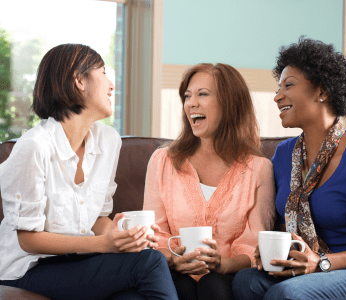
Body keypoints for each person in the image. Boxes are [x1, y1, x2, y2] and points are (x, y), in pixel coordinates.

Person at [0, 44, 178, 300]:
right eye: (103, 72)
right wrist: (103, 244)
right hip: (27, 269)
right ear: (79, 80)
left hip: (77, 262)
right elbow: (28, 239)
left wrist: (119, 237)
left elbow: (97, 218)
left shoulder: (108, 141)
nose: (111, 84)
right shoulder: (34, 147)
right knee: (149, 262)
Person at [232, 37, 346, 300]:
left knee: (286, 294)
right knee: (246, 282)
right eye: (278, 88)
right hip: (311, 268)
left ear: (322, 92)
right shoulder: (284, 155)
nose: (277, 97)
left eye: (288, 85)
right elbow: (282, 222)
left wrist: (322, 262)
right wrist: (269, 251)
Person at [143, 63, 276, 300]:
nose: (191, 103)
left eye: (202, 94)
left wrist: (224, 264)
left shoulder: (259, 169)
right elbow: (154, 233)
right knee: (180, 285)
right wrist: (174, 259)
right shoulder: (163, 161)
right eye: (187, 96)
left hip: (228, 276)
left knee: (212, 284)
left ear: (230, 103)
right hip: (173, 271)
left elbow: (255, 244)